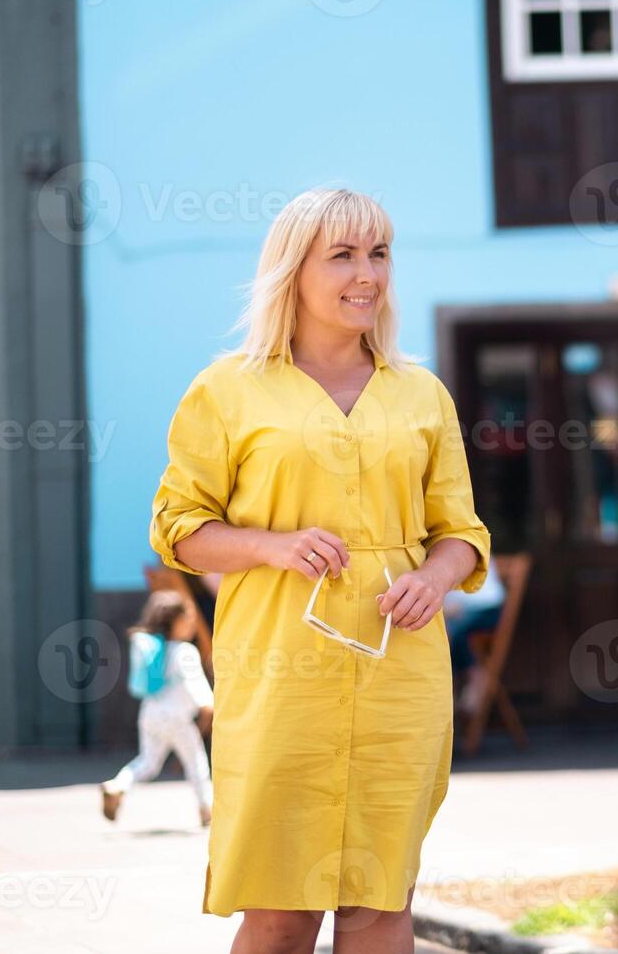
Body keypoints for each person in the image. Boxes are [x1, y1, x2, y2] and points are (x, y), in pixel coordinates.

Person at [148, 187, 492, 953]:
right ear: (292, 272)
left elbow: (462, 532)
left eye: (378, 254)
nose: (367, 273)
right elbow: (179, 528)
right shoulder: (226, 390)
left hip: (399, 674)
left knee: (381, 904)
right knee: (280, 909)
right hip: (279, 674)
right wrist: (270, 545)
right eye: (342, 255)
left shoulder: (421, 394)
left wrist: (435, 578)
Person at [100, 590, 214, 827]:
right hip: (178, 718)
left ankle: (118, 785)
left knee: (148, 762)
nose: (193, 624)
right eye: (189, 619)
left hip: (150, 715)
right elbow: (198, 690)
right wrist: (207, 706)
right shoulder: (185, 652)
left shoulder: (154, 650)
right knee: (197, 763)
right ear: (176, 621)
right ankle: (206, 808)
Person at [445, 559, 506, 716]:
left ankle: (471, 677)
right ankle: (464, 679)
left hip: (482, 605)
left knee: (448, 631)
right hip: (457, 607)